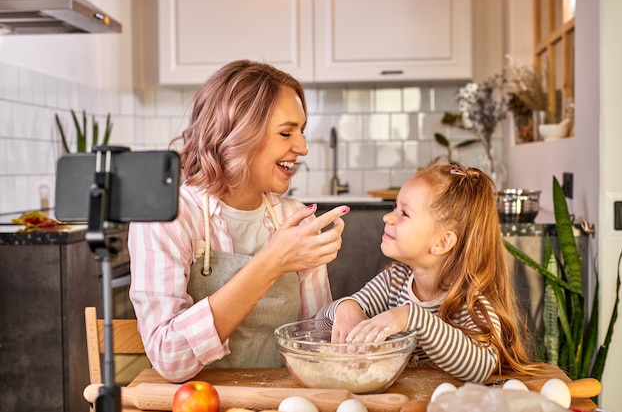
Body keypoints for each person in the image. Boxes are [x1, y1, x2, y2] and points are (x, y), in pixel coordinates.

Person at [128, 60, 350, 382]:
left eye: (301, 132)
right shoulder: (167, 216)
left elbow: (315, 342)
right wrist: (271, 263)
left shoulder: (295, 218)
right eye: (286, 132)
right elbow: (170, 357)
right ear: (238, 132)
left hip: (280, 401)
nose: (301, 148)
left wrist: (345, 311)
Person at [316, 163, 536, 382]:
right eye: (394, 207)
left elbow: (480, 366)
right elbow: (320, 323)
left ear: (442, 242)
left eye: (404, 213)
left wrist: (412, 317)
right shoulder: (395, 281)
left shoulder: (471, 300)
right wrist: (346, 308)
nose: (388, 217)